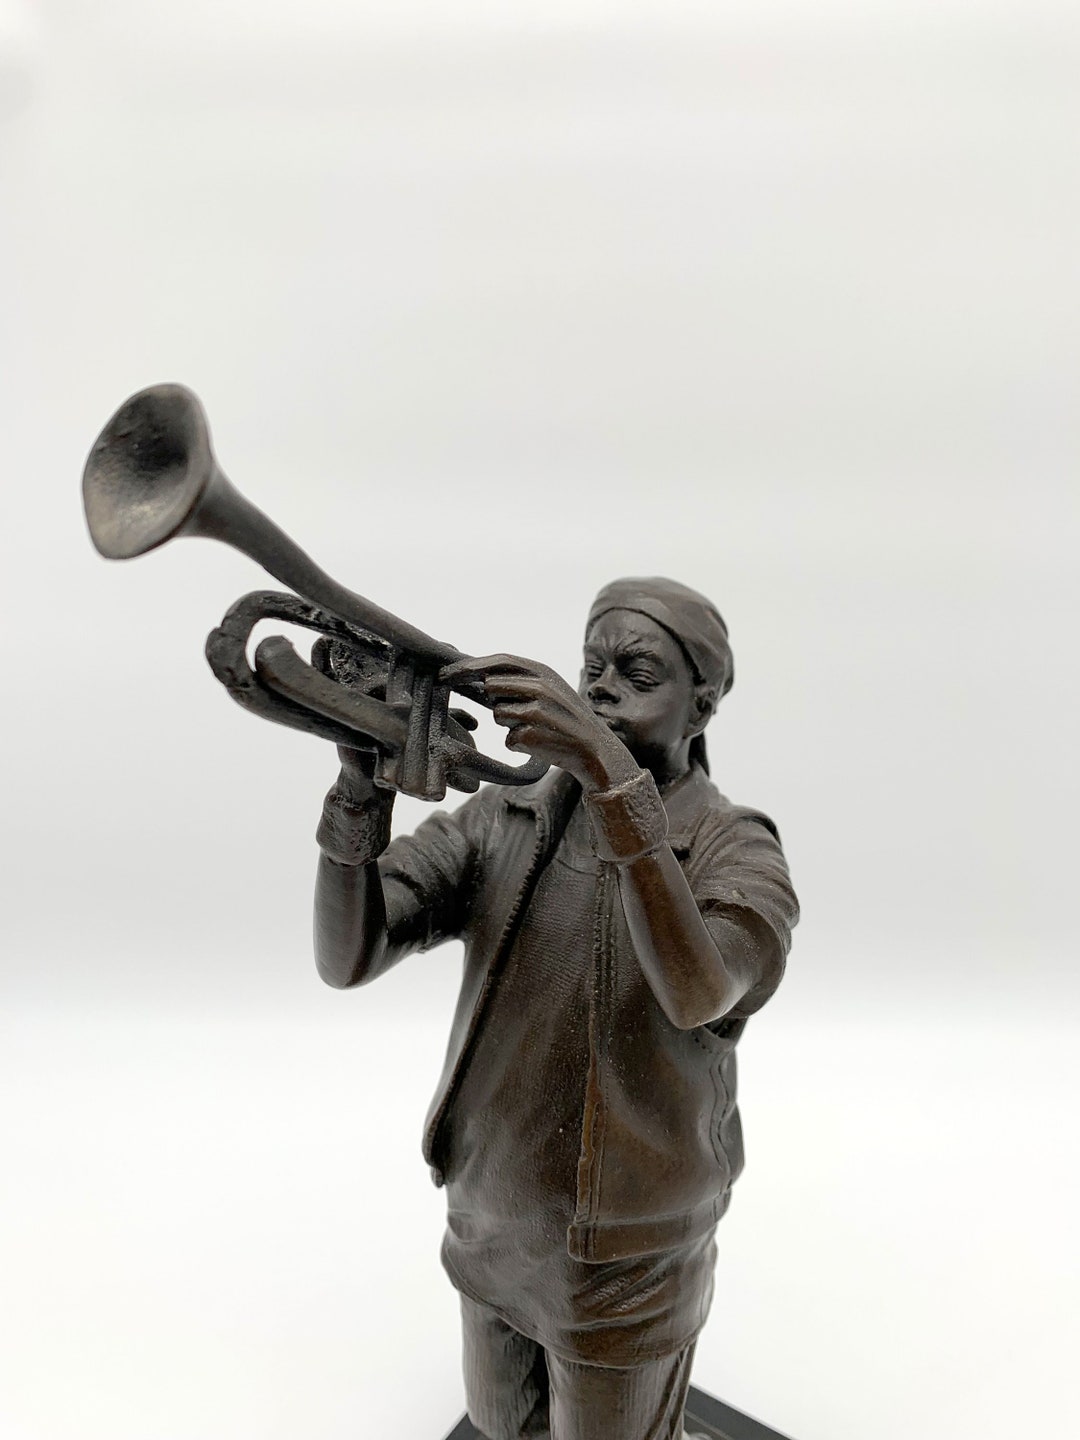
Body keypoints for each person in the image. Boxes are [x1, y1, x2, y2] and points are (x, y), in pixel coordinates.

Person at [313, 578, 799, 1440]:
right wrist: (360, 793)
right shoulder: (507, 813)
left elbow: (700, 991)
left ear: (704, 704)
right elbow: (348, 956)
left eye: (637, 672)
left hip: (628, 1256)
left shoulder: (735, 846)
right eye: (592, 665)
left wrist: (614, 781)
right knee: (503, 1430)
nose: (601, 687)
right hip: (492, 1216)